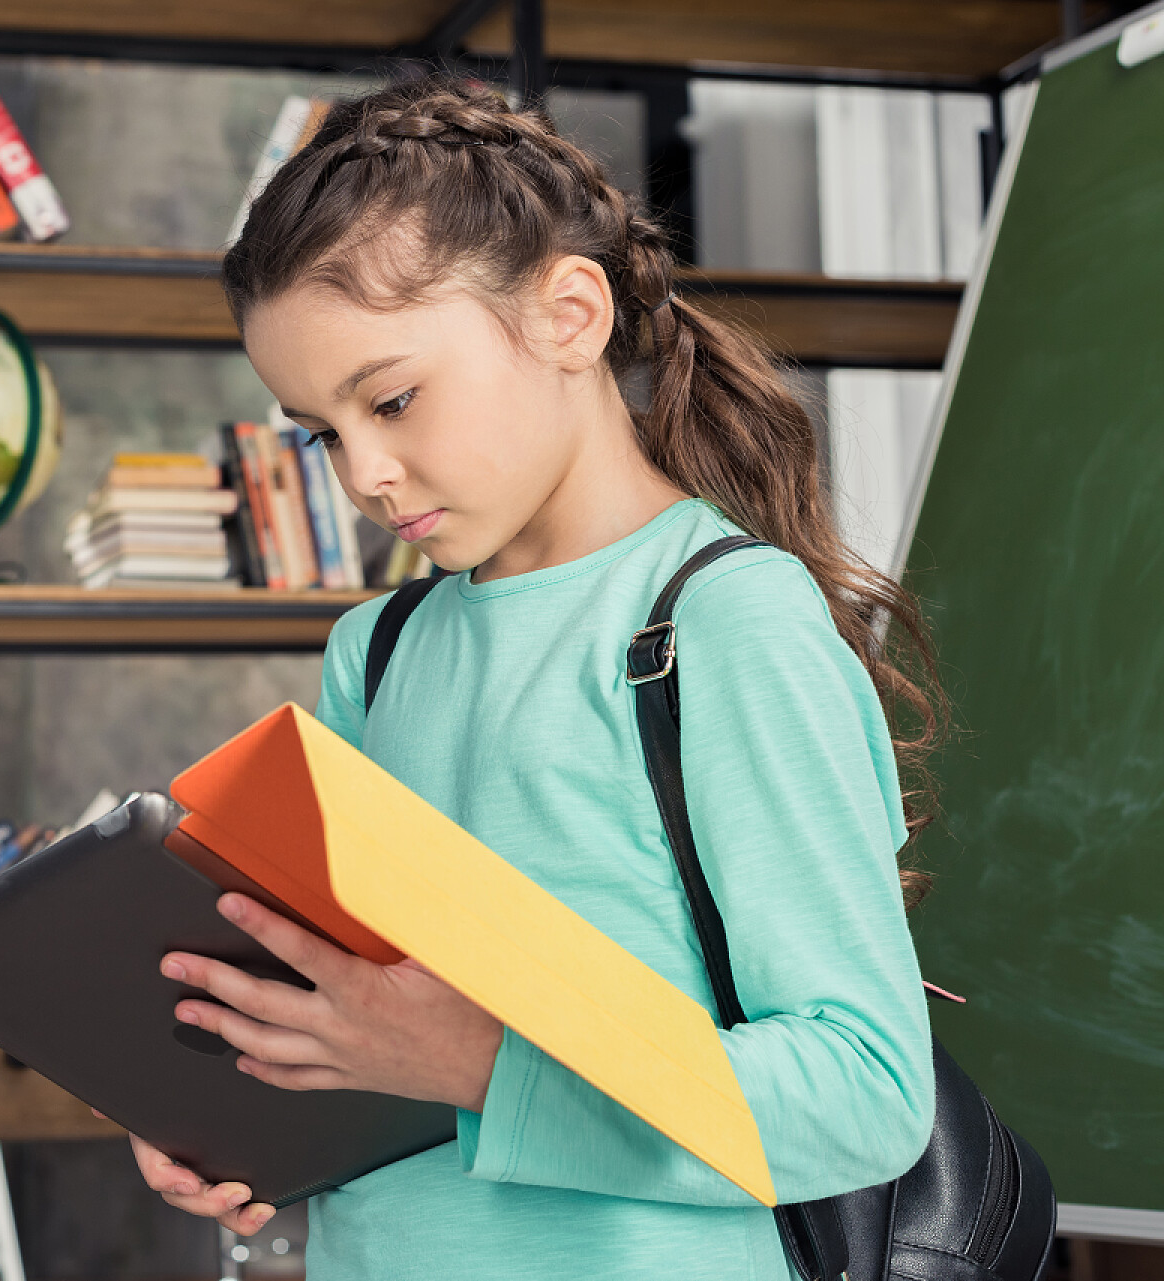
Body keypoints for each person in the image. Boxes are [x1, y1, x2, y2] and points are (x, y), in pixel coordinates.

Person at [122, 76, 944, 1280]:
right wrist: (244, 1110)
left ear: (569, 316)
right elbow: (367, 1029)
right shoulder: (379, 652)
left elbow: (863, 1095)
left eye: (393, 399)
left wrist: (480, 1066)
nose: (365, 473)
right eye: (322, 432)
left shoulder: (723, 621)